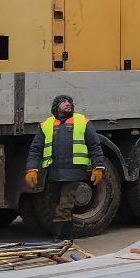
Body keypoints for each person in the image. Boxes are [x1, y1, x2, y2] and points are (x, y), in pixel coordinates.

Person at [23, 94, 104, 241]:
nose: (68, 104)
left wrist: (98, 167)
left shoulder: (82, 122)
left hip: (74, 172)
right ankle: (67, 236)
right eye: (63, 102)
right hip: (54, 172)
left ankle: (59, 237)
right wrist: (31, 169)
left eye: (69, 102)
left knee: (65, 204)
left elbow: (94, 146)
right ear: (56, 106)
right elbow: (36, 149)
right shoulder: (46, 125)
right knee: (55, 202)